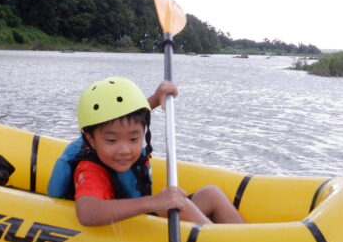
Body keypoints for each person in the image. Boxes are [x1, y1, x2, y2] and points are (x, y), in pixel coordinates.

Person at [47, 76, 246, 227]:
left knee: (211, 194)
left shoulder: (110, 136)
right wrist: (154, 202)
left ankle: (243, 239)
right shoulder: (91, 170)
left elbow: (128, 119)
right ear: (90, 139)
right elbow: (87, 214)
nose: (124, 149)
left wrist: (155, 97)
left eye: (134, 138)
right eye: (111, 140)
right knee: (181, 205)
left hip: (138, 217)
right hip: (124, 229)